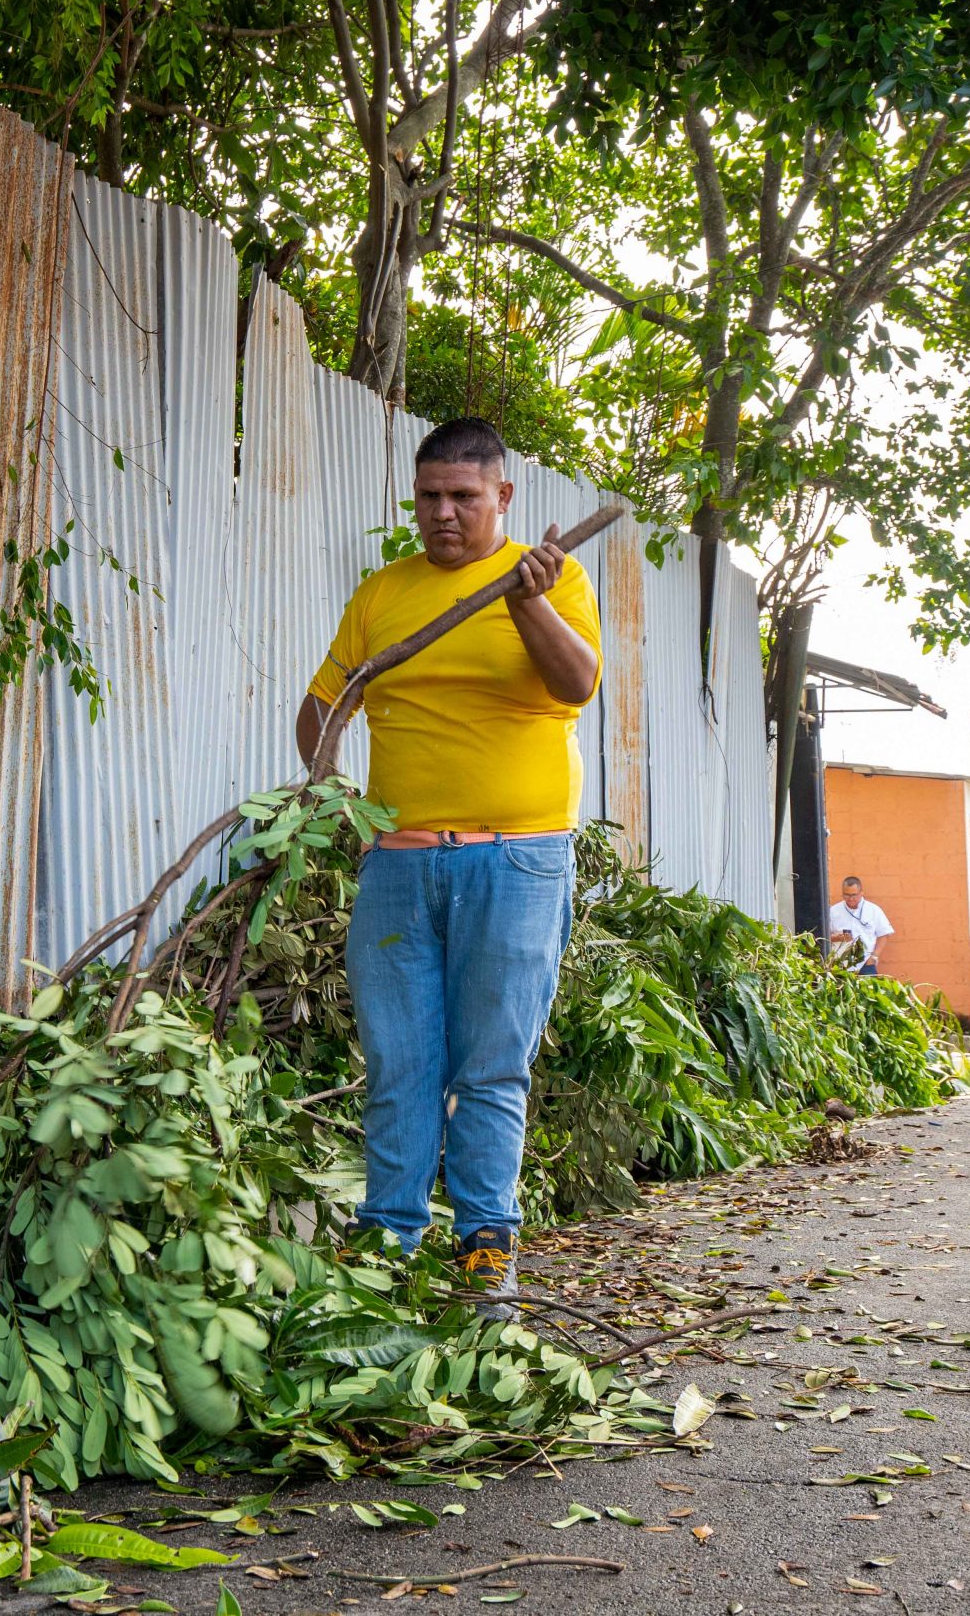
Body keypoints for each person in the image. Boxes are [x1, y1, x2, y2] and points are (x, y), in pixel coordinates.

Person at [295, 416, 601, 1309]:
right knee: (398, 1062)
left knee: (490, 1065)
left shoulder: (555, 579)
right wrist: (332, 796)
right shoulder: (383, 593)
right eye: (429, 495)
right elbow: (324, 704)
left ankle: (484, 1245)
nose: (443, 513)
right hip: (397, 865)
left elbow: (578, 682)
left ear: (503, 496)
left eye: (464, 496)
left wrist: (525, 600)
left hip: (518, 861)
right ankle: (388, 1239)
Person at [826, 876, 895, 974]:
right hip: (840, 964)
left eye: (854, 895)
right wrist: (836, 938)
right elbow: (824, 936)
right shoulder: (833, 911)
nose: (850, 899)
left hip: (866, 963)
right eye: (846, 895)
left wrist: (874, 957)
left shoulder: (873, 910)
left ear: (861, 893)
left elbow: (884, 934)